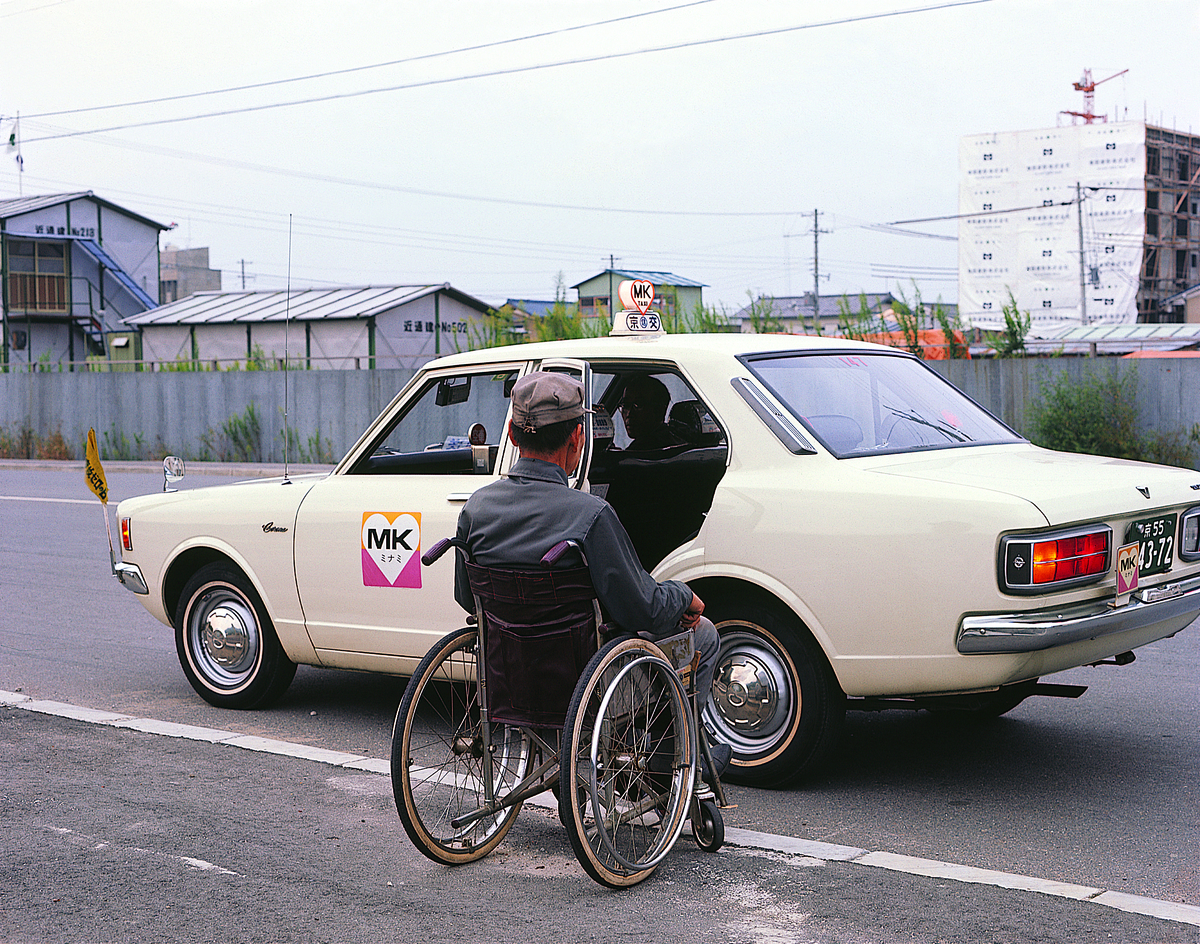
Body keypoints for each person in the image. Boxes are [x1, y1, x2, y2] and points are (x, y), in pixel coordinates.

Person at [454, 371, 731, 781]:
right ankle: (672, 759)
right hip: (589, 685)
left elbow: (465, 596)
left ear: (511, 435)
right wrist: (681, 595)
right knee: (703, 633)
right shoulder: (590, 515)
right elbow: (643, 608)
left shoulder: (476, 509)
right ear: (577, 439)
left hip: (508, 676)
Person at [618, 374, 686, 451]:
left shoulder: (643, 449)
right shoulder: (675, 441)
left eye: (638, 405)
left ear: (659, 410)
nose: (629, 414)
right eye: (625, 405)